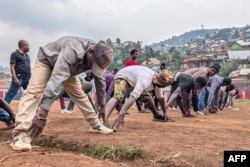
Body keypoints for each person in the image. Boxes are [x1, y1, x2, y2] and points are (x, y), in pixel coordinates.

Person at [11, 36, 114, 152]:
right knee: (33, 92)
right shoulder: (73, 50)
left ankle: (95, 124)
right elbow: (56, 80)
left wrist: (102, 104)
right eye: (92, 64)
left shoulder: (100, 55)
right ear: (90, 51)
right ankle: (19, 134)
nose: (91, 68)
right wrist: (42, 114)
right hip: (47, 61)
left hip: (70, 69)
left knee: (79, 94)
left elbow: (100, 80)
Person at [104, 66, 174, 131]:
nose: (163, 87)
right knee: (119, 96)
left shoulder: (157, 80)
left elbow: (160, 98)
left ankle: (156, 115)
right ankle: (103, 121)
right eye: (163, 86)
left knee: (147, 97)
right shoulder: (145, 80)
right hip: (123, 76)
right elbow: (132, 98)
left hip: (135, 80)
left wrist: (164, 112)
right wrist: (121, 115)